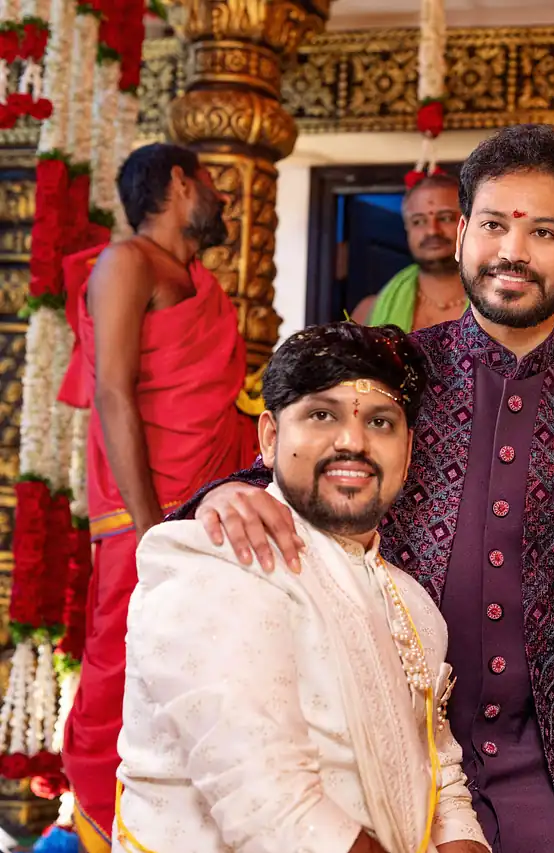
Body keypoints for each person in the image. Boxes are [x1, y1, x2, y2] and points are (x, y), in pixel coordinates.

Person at [173, 125, 554, 853]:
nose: (513, 251)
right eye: (495, 225)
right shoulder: (389, 374)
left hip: (552, 783)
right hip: (377, 761)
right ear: (465, 233)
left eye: (543, 232)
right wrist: (219, 495)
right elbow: (293, 463)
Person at [115, 322, 488, 853]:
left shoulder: (414, 605)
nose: (353, 441)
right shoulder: (216, 558)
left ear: (407, 454)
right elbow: (269, 804)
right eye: (322, 415)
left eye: (380, 422)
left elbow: (439, 773)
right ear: (270, 438)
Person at [57, 142, 260, 851]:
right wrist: (152, 530)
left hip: (211, 510)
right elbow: (113, 391)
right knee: (121, 669)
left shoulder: (200, 282)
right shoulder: (128, 261)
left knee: (202, 676)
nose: (222, 198)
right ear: (179, 182)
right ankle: (102, 827)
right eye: (211, 183)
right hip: (142, 517)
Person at [352, 172, 468, 331]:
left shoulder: (497, 306)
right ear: (407, 229)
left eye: (445, 218)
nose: (432, 231)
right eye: (418, 221)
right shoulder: (368, 312)